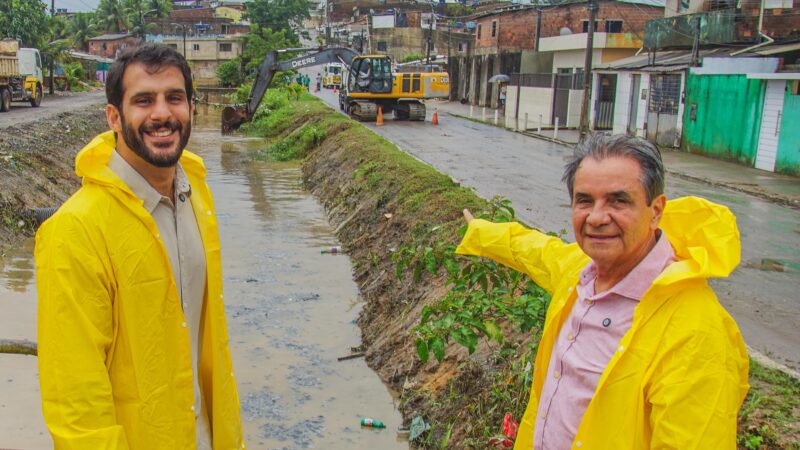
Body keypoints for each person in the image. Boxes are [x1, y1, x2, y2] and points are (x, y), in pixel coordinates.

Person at [457, 133, 749, 449]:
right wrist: (480, 232)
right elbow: (535, 250)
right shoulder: (580, 270)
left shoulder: (696, 333)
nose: (596, 218)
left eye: (618, 200)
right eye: (585, 200)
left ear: (656, 210)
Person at [35, 43, 246, 449]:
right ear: (114, 116)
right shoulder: (75, 231)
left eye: (174, 98)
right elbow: (76, 405)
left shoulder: (197, 194)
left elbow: (210, 343)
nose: (162, 114)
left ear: (191, 107)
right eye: (144, 100)